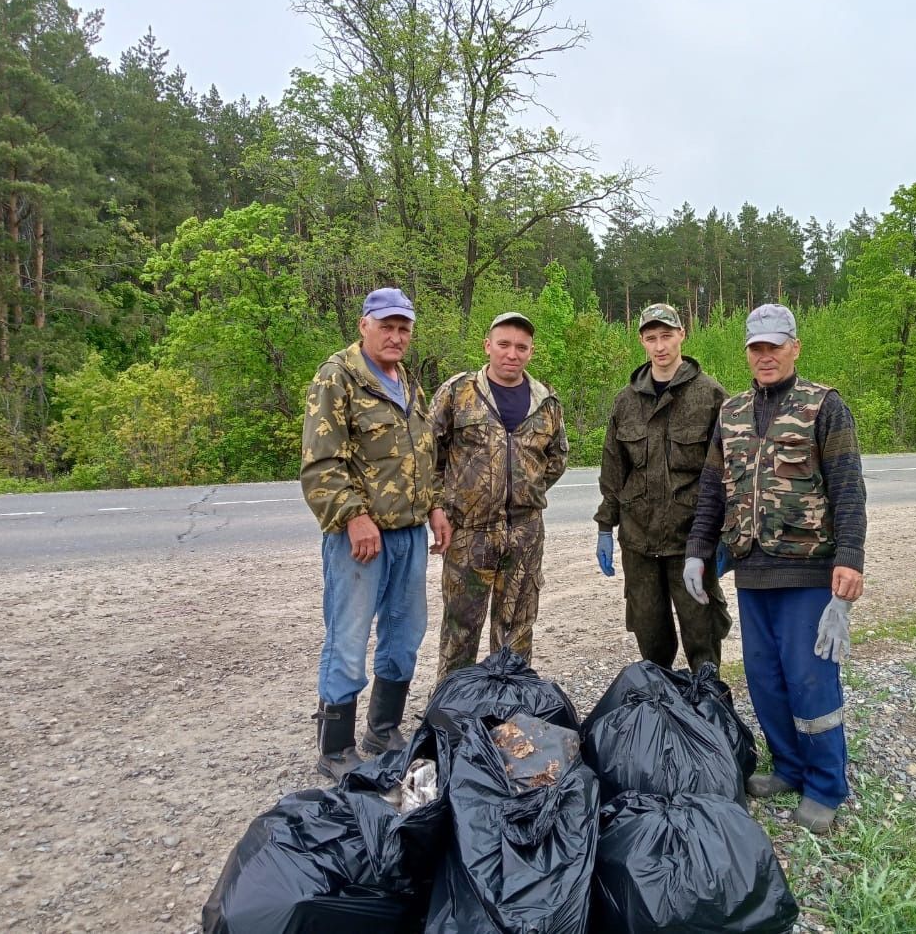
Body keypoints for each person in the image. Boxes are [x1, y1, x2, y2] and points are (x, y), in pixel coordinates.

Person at [683, 303, 867, 834]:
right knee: (765, 679)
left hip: (809, 572)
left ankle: (826, 784)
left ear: (794, 347)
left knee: (810, 679)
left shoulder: (824, 406)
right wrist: (699, 549)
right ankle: (787, 766)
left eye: (775, 346)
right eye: (756, 348)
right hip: (751, 571)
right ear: (747, 352)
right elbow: (713, 491)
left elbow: (849, 489)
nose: (765, 356)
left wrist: (850, 560)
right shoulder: (732, 412)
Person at [300, 287, 451, 781]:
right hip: (359, 538)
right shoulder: (337, 377)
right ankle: (336, 746)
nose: (396, 336)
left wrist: (435, 507)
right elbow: (322, 462)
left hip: (409, 533)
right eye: (386, 325)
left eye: (403, 327)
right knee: (348, 636)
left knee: (406, 634)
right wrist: (352, 517)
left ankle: (383, 728)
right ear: (364, 325)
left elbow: (421, 454)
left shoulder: (407, 382)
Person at [429, 311, 569, 682]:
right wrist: (439, 504)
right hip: (470, 532)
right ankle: (451, 712)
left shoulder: (546, 402)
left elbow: (556, 459)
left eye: (521, 347)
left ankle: (508, 708)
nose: (512, 354)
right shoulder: (458, 393)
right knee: (461, 628)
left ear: (531, 352)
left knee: (517, 630)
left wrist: (523, 491)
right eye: (504, 344)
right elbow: (428, 453)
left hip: (524, 532)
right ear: (487, 345)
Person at [594, 302, 731, 670]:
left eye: (667, 336)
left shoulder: (711, 397)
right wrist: (605, 527)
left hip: (692, 540)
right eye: (651, 338)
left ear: (682, 335)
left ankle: (708, 700)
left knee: (701, 630)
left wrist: (727, 533)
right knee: (650, 634)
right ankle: (662, 706)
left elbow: (728, 473)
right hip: (638, 541)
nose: (660, 346)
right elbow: (613, 471)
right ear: (642, 341)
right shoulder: (625, 402)